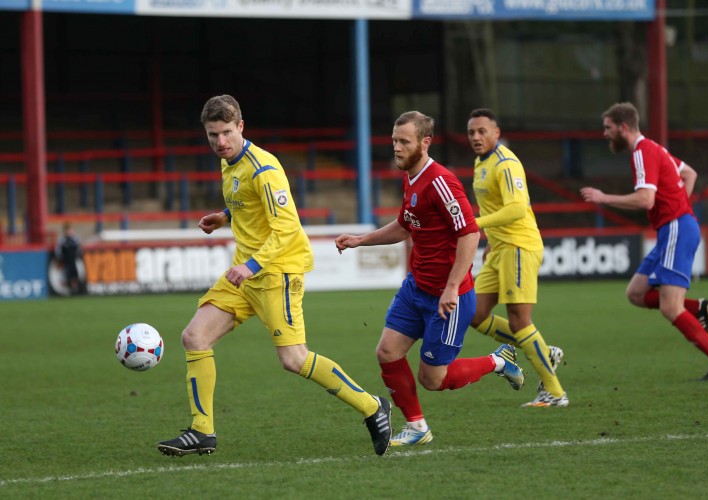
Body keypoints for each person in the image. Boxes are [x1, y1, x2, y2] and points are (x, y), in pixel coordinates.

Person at [157, 95, 392, 458]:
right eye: (212, 135)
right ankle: (202, 431)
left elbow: (286, 228)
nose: (220, 142)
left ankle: (373, 407)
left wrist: (250, 266)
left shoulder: (264, 168)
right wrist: (224, 215)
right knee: (194, 336)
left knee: (294, 360)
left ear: (241, 127)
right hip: (246, 274)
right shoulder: (229, 163)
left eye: (225, 133)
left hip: (277, 271)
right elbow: (246, 202)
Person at [335, 111, 524, 448]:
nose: (396, 147)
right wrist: (361, 240)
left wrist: (452, 287)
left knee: (432, 379)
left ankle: (498, 360)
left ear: (424, 142)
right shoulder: (411, 177)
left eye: (404, 141)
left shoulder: (441, 181)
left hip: (446, 297)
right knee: (387, 352)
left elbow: (469, 234)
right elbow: (405, 224)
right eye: (394, 140)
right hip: (416, 288)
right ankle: (417, 426)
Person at [580, 102, 708, 381]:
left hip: (676, 228)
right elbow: (690, 174)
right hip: (673, 229)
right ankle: (697, 308)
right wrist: (679, 206)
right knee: (636, 293)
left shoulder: (642, 152)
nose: (604, 134)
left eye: (607, 128)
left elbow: (645, 199)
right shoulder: (655, 149)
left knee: (669, 307)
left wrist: (604, 198)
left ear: (623, 127)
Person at [466, 108, 569, 407]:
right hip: (499, 248)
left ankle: (555, 393)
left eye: (482, 131)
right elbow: (493, 206)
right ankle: (541, 351)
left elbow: (516, 208)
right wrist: (489, 240)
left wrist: (477, 225)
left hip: (519, 247)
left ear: (496, 133)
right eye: (471, 132)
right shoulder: (480, 162)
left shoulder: (506, 163)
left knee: (519, 320)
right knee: (475, 314)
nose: (476, 136)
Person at [54, 222, 84, 295]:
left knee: (75, 273)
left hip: (73, 260)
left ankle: (76, 289)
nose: (69, 232)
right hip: (66, 261)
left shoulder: (75, 239)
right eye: (67, 230)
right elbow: (57, 250)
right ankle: (69, 289)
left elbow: (79, 248)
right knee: (67, 274)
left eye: (70, 230)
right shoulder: (62, 240)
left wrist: (78, 255)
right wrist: (60, 257)